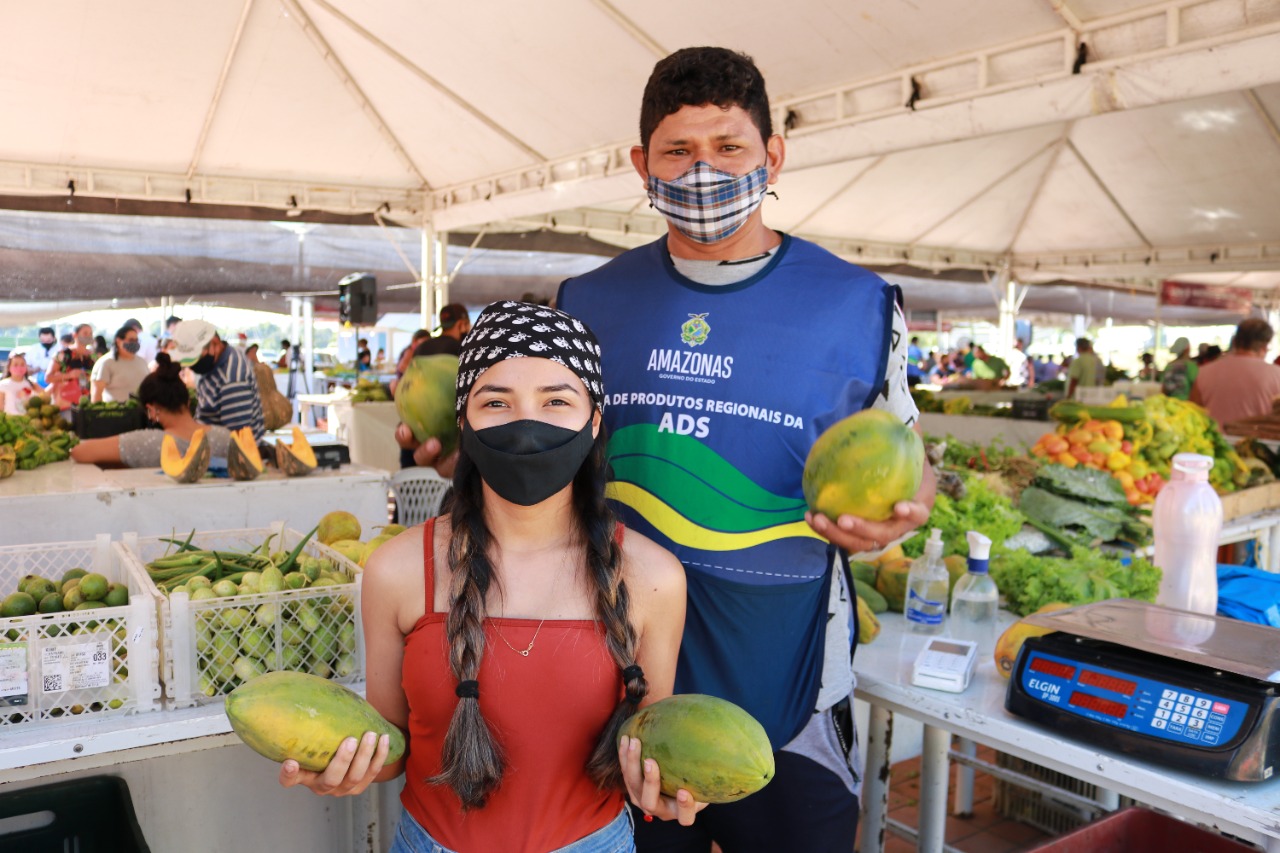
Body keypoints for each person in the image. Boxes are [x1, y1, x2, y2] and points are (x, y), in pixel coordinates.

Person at [557, 48, 935, 852]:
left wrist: (904, 514)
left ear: (774, 154)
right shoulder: (587, 304)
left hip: (793, 678)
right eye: (678, 151)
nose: (704, 171)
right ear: (641, 165)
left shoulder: (858, 306)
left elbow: (907, 453)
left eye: (728, 147)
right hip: (624, 688)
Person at [280, 302, 695, 852]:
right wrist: (346, 766)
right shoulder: (397, 570)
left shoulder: (653, 578)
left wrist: (667, 789)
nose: (527, 424)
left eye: (556, 400)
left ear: (594, 421)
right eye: (496, 401)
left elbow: (650, 752)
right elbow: (392, 744)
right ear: (463, 421)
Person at [71, 353, 232, 468]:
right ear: (188, 401)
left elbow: (79, 452)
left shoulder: (147, 443)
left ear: (151, 410)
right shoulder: (225, 437)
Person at [394, 306, 474, 468]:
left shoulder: (424, 346)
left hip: (418, 425)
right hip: (452, 434)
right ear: (461, 324)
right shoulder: (462, 348)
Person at [172, 320, 266, 439]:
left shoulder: (232, 380)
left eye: (197, 359)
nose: (193, 366)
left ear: (215, 343)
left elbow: (237, 438)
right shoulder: (218, 361)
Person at [1191, 319, 1280, 427]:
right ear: (1264, 347)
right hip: (1260, 442)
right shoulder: (1276, 374)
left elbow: (1193, 413)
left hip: (1215, 442)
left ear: (1235, 342)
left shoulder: (1204, 372)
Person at [90, 325, 150, 403]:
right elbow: (96, 394)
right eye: (131, 340)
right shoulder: (106, 363)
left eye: (136, 340)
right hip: (115, 413)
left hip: (140, 411)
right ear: (118, 341)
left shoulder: (142, 362)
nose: (135, 343)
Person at [46, 329, 95, 410]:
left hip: (88, 402)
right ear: (75, 335)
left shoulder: (93, 356)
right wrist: (69, 375)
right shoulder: (62, 354)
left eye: (90, 333)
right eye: (85, 333)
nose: (89, 336)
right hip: (66, 402)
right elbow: (48, 378)